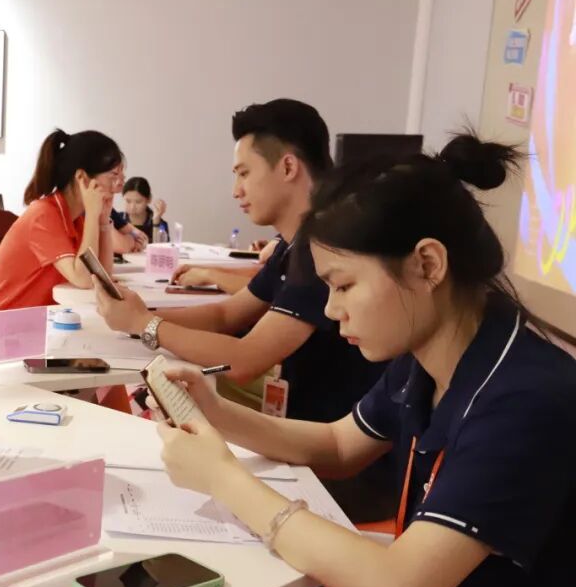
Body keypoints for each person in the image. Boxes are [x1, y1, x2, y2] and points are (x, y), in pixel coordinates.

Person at [156, 134, 576, 587]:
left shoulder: (525, 401)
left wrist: (222, 478)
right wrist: (216, 412)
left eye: (344, 285)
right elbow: (338, 445)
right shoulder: (429, 354)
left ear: (427, 265)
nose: (332, 310)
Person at [94, 99, 392, 521]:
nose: (235, 190)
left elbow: (247, 359)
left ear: (287, 167)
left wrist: (147, 324)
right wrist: (137, 317)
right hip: (305, 440)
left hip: (332, 468)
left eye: (244, 173)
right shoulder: (293, 246)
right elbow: (227, 315)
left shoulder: (320, 250)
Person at [0, 129, 123, 312]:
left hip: (36, 321)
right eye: (113, 176)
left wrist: (102, 220)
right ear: (82, 178)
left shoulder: (75, 219)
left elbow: (101, 277)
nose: (118, 187)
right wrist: (92, 215)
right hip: (0, 322)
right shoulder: (44, 216)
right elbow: (83, 278)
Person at [110, 176, 168, 252]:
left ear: (149, 199)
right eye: (128, 201)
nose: (132, 207)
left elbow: (160, 251)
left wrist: (156, 222)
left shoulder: (159, 223)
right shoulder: (116, 220)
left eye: (138, 202)